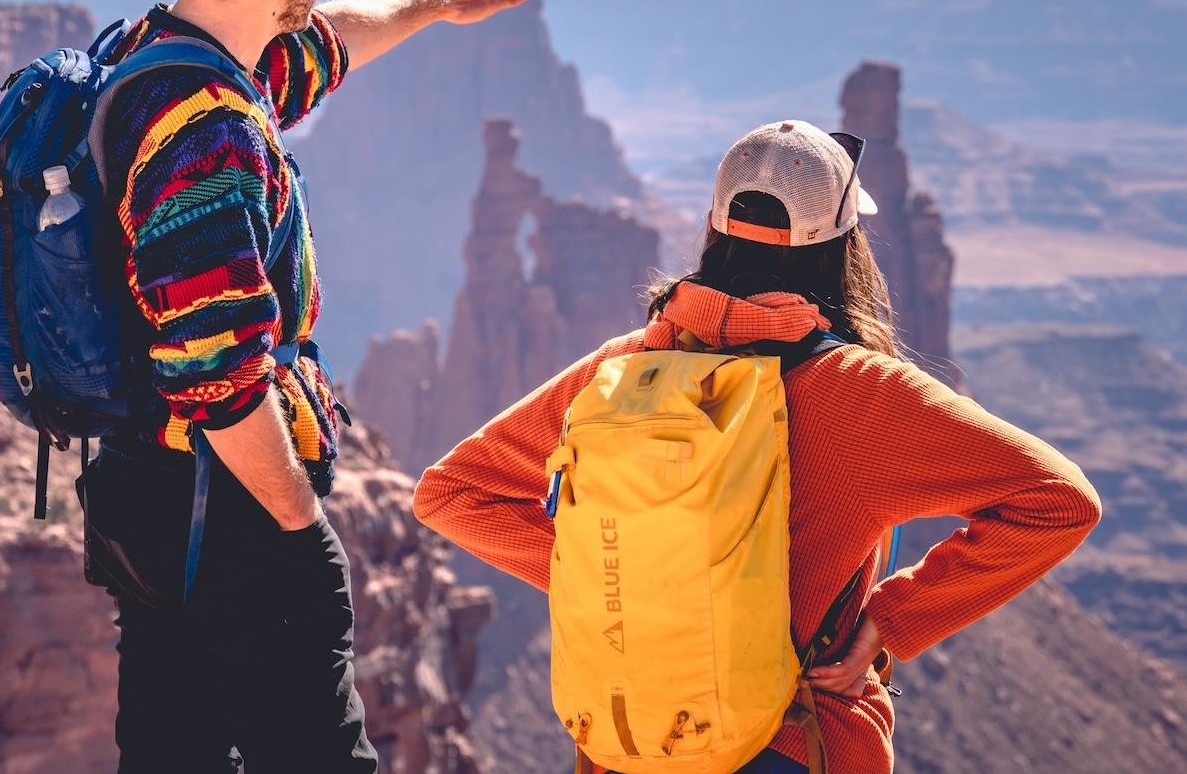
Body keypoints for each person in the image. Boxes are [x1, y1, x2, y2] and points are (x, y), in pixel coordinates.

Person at [413, 119, 1101, 773]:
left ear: (713, 226)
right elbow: (1060, 501)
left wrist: (624, 583)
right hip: (794, 744)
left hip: (635, 742)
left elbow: (451, 494)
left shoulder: (621, 370)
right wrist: (894, 620)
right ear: (845, 244)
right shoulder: (864, 393)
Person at [77, 0, 531, 773]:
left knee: (174, 751)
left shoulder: (166, 57)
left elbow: (325, 48)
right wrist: (297, 524)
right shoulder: (206, 136)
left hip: (150, 489)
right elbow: (219, 375)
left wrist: (429, 4)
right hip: (220, 504)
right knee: (321, 756)